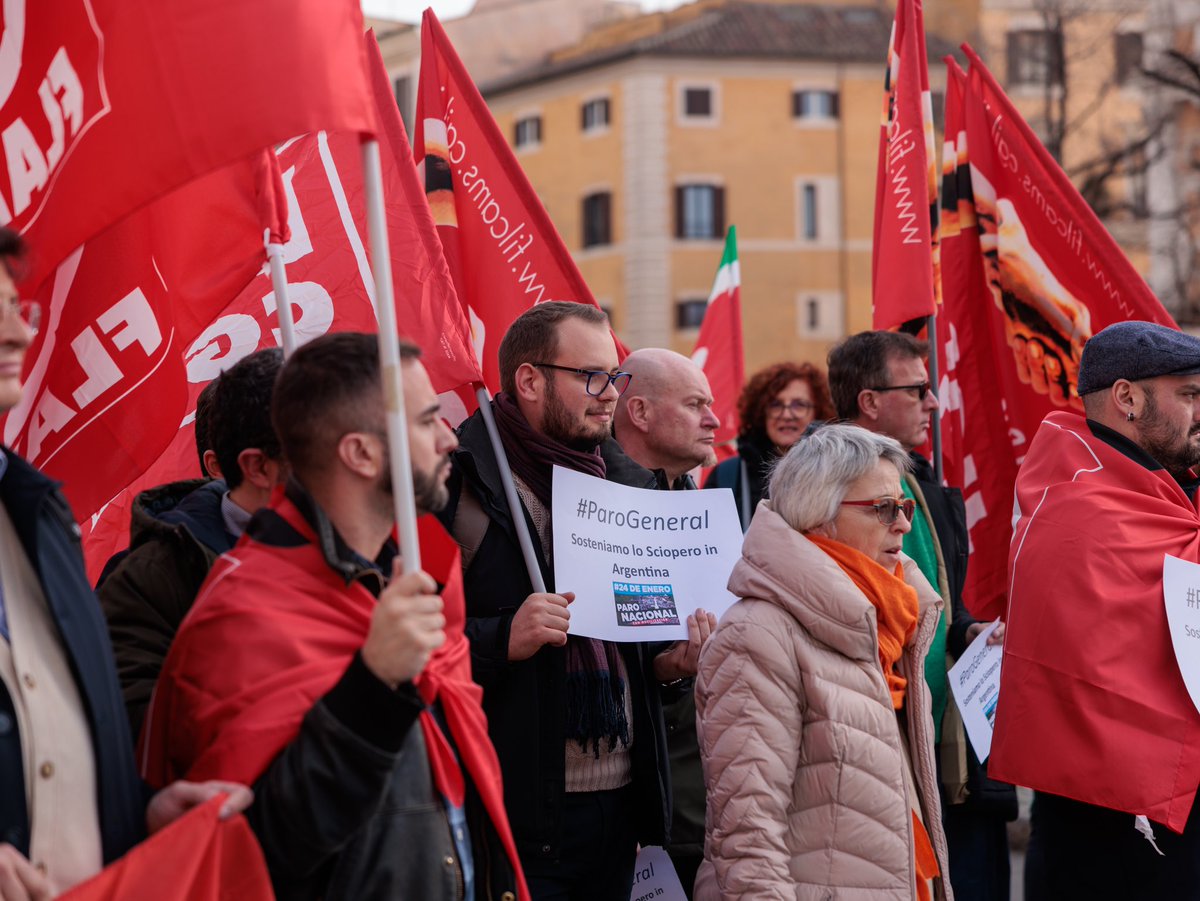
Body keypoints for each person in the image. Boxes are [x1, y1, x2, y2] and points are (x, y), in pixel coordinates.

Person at [144, 332, 527, 900]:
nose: (450, 438)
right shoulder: (244, 618)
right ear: (361, 453)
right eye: (426, 421)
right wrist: (372, 688)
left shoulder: (417, 579)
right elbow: (255, 857)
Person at [0, 227, 250, 900]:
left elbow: (62, 734)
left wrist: (137, 811)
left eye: (16, 311)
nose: (18, 336)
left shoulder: (34, 513)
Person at [439, 302, 708, 899]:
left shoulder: (622, 485)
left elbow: (638, 648)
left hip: (619, 814)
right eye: (591, 376)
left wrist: (673, 665)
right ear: (530, 380)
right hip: (513, 816)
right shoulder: (461, 487)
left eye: (614, 378)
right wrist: (501, 638)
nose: (609, 393)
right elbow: (412, 649)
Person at [695, 424, 951, 900]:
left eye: (905, 506)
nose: (904, 524)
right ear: (819, 518)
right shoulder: (757, 635)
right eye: (884, 508)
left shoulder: (888, 626)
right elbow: (747, 838)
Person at [991, 320, 1200, 900]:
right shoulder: (1076, 494)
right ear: (1127, 398)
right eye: (1188, 395)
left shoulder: (1158, 485)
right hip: (1114, 824)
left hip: (1155, 809)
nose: (1199, 411)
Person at [828, 330, 1015, 899]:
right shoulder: (822, 490)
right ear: (870, 401)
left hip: (934, 738)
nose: (933, 403)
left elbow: (941, 602)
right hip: (868, 741)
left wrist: (969, 628)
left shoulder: (923, 485)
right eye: (918, 390)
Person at [100, 348, 284, 738]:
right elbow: (135, 737)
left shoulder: (367, 546)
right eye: (318, 443)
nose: (354, 459)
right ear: (249, 466)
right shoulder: (145, 577)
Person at [608, 347, 719, 898]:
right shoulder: (591, 506)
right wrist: (665, 670)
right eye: (696, 404)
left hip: (702, 796)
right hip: (638, 806)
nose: (714, 419)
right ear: (641, 413)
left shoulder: (693, 500)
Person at [703, 361, 834, 529]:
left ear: (819, 411)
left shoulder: (837, 475)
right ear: (760, 412)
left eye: (799, 405)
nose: (786, 415)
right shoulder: (727, 476)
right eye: (775, 405)